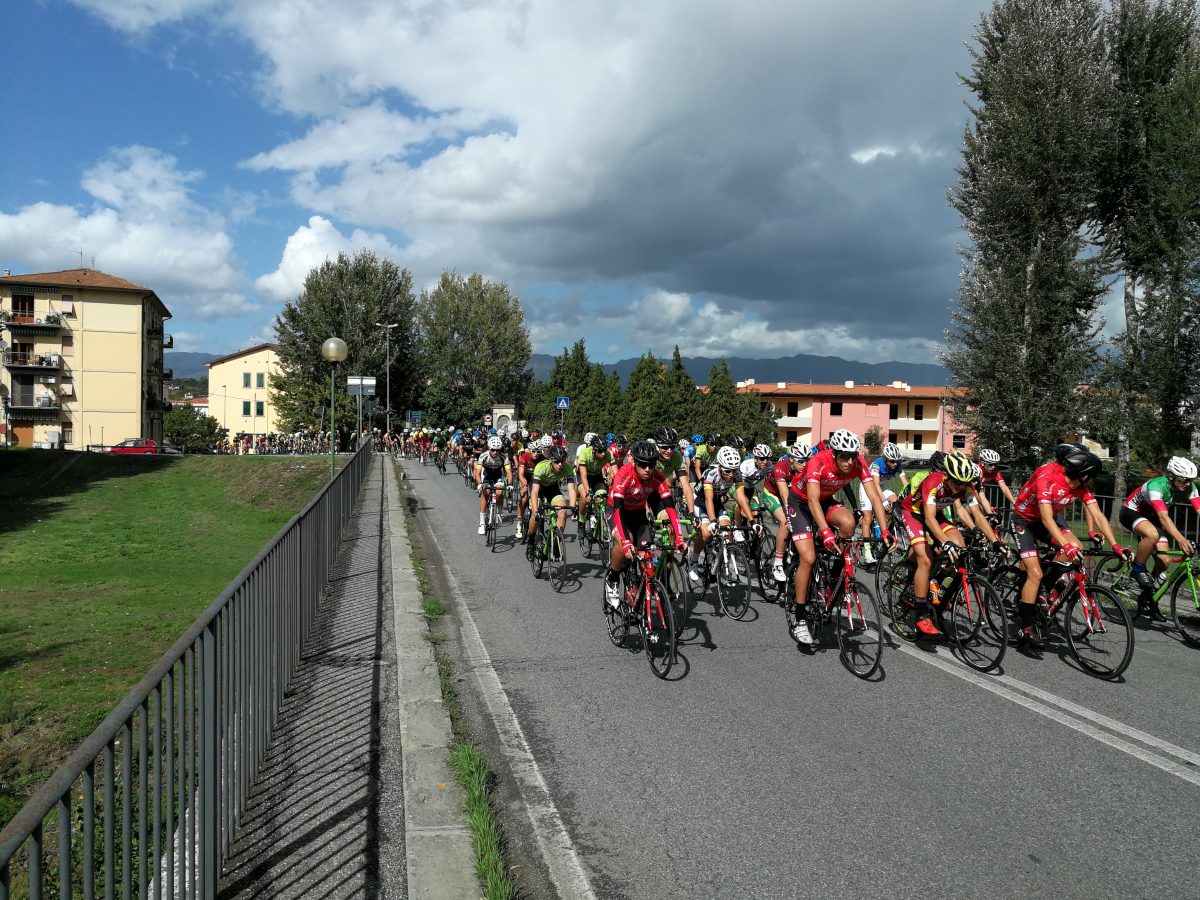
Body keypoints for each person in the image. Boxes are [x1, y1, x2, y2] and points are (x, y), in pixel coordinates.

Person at [1011, 446, 1129, 648]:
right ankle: (1027, 626)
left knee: (1077, 547)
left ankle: (1043, 588)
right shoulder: (1047, 479)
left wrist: (1117, 545)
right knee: (1036, 573)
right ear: (1084, 475)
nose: (1092, 480)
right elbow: (1048, 520)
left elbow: (1099, 516)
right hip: (1024, 522)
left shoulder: (1081, 487)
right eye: (1091, 476)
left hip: (1043, 521)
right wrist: (1066, 547)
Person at [786, 429, 892, 646]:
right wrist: (825, 532)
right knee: (808, 558)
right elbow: (813, 501)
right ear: (834, 454)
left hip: (825, 501)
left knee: (849, 523)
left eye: (853, 456)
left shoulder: (858, 463)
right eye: (844, 456)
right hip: (802, 502)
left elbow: (874, 497)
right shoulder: (818, 461)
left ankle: (833, 579)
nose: (849, 461)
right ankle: (799, 616)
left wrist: (885, 530)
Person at [897, 452, 1002, 637]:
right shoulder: (933, 482)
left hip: (935, 514)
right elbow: (928, 518)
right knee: (926, 559)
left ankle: (936, 581)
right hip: (914, 513)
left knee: (960, 547)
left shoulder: (965, 485)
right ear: (946, 475)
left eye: (963, 484)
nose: (958, 488)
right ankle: (921, 614)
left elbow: (976, 514)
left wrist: (995, 541)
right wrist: (945, 543)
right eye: (956, 483)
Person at [604, 440, 688, 610]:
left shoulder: (658, 477)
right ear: (634, 462)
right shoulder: (624, 474)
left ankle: (642, 587)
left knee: (646, 551)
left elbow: (671, 509)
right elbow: (618, 510)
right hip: (617, 511)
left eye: (651, 465)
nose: (648, 469)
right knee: (624, 543)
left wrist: (679, 537)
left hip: (638, 513)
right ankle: (612, 580)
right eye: (643, 465)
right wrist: (626, 542)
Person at [1119, 456, 1200, 620]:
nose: (1187, 483)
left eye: (1189, 480)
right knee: (1152, 534)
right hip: (1132, 512)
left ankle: (1149, 598)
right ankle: (1138, 568)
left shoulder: (1189, 487)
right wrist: (1181, 540)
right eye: (1183, 479)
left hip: (1152, 517)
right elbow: (1164, 518)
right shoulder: (1157, 485)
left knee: (1164, 560)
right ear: (1171, 476)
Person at [687, 445, 755, 584]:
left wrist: (752, 521)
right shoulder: (711, 473)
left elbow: (741, 498)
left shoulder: (736, 475)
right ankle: (693, 559)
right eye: (728, 471)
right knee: (707, 534)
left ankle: (722, 561)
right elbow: (708, 500)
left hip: (717, 502)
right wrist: (712, 521)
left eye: (734, 470)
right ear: (720, 467)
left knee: (728, 531)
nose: (731, 474)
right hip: (701, 503)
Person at [764, 441, 812, 581]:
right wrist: (791, 517)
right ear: (791, 459)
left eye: (807, 461)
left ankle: (793, 550)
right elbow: (784, 495)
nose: (804, 464)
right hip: (773, 494)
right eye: (801, 461)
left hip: (791, 495)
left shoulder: (806, 470)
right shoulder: (780, 468)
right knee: (786, 522)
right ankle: (778, 562)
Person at [859, 442, 908, 564]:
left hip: (881, 486)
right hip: (868, 486)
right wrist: (883, 500)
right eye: (892, 461)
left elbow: (906, 483)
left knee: (896, 501)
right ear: (885, 459)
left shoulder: (898, 465)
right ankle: (867, 552)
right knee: (868, 518)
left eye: (897, 461)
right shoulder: (877, 464)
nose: (895, 463)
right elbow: (874, 485)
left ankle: (884, 524)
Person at [528, 444, 577, 555]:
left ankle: (556, 542)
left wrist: (573, 507)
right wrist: (535, 511)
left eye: (562, 461)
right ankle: (531, 541)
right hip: (539, 488)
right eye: (556, 462)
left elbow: (571, 490)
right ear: (551, 460)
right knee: (536, 513)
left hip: (552, 489)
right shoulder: (541, 467)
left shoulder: (567, 468)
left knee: (563, 511)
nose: (560, 465)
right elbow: (534, 492)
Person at [474, 436, 512, 535]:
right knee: (486, 493)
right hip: (486, 476)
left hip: (498, 477)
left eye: (497, 450)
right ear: (489, 448)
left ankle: (499, 510)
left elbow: (509, 472)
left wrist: (510, 484)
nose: (495, 452)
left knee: (499, 492)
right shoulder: (483, 456)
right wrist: (479, 483)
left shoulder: (504, 456)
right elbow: (477, 472)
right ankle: (482, 523)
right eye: (493, 450)